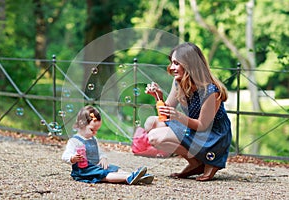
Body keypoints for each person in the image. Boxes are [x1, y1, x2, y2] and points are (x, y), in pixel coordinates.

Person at [144, 42, 232, 181]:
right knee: (151, 123)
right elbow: (165, 114)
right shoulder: (179, 81)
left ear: (190, 64)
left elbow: (203, 126)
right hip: (193, 128)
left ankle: (210, 161)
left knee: (155, 137)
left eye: (176, 63)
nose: (172, 67)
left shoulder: (210, 90)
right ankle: (196, 162)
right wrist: (158, 97)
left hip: (212, 136)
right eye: (172, 62)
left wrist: (178, 116)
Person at [62, 105, 154, 185]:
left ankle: (136, 175)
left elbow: (99, 152)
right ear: (82, 124)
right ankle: (128, 177)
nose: (95, 133)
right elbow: (65, 156)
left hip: (96, 165)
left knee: (114, 168)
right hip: (84, 171)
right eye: (92, 130)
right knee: (104, 174)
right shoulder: (74, 141)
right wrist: (72, 158)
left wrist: (103, 158)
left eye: (97, 130)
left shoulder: (93, 139)